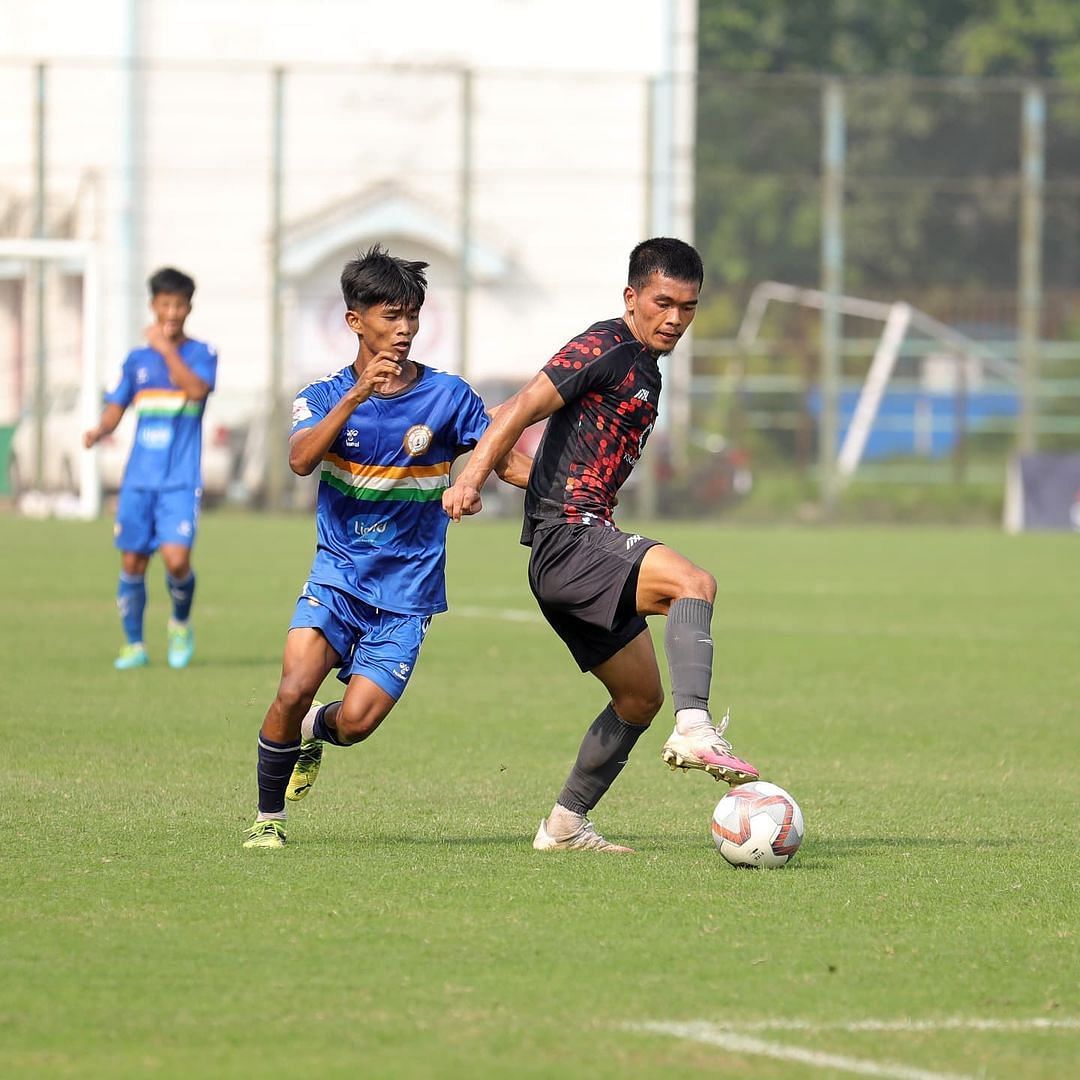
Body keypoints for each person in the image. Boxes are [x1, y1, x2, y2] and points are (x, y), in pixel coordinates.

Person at [442, 237, 760, 853]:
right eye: (663, 303)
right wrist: (470, 479)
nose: (675, 319)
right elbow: (522, 405)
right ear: (631, 297)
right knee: (695, 584)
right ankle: (695, 728)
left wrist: (514, 476)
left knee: (639, 697)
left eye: (688, 308)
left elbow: (562, 461)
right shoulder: (607, 345)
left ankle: (564, 826)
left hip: (570, 547)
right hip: (572, 539)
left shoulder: (647, 370)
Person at [243, 244, 530, 849]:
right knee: (293, 687)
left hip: (409, 590)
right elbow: (298, 461)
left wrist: (566, 482)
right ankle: (269, 820)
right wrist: (355, 397)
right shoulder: (323, 396)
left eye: (412, 317)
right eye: (390, 316)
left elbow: (503, 460)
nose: (403, 331)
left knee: (356, 722)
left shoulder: (447, 397)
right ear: (356, 321)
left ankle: (316, 733)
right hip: (338, 576)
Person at [84, 267, 217, 670]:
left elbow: (197, 391)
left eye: (179, 305)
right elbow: (116, 406)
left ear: (189, 307)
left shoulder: (201, 354)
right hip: (139, 480)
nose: (172, 312)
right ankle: (134, 644)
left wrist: (165, 349)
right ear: (153, 305)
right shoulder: (135, 362)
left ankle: (179, 623)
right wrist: (99, 429)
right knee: (132, 563)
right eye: (165, 304)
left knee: (177, 561)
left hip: (179, 481)